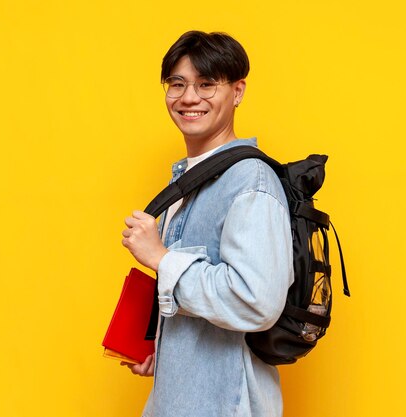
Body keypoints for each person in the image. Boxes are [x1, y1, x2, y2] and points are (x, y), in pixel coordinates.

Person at [120, 30, 294, 417]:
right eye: (177, 84)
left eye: (206, 84)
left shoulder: (250, 181)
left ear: (237, 92)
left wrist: (162, 259)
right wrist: (163, 351)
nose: (188, 98)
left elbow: (256, 301)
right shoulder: (187, 180)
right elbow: (204, 301)